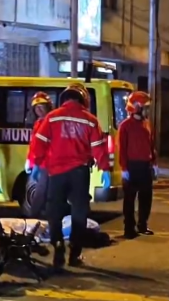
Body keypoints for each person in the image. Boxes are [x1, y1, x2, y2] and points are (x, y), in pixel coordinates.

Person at [31, 83, 111, 268]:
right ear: (83, 99)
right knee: (79, 212)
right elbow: (99, 148)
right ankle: (75, 253)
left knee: (55, 211)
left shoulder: (51, 118)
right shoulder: (90, 120)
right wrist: (105, 169)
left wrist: (37, 164)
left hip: (56, 173)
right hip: (80, 173)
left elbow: (39, 144)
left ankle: (58, 244)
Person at [117, 90, 158, 239]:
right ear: (135, 106)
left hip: (145, 165)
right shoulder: (125, 126)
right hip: (132, 166)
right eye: (144, 106)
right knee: (129, 199)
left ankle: (143, 225)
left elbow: (151, 144)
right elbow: (121, 148)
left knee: (146, 197)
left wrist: (154, 162)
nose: (146, 109)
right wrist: (124, 169)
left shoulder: (146, 124)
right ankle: (129, 228)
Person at [24, 92, 54, 215]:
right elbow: (34, 145)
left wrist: (36, 163)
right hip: (37, 163)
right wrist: (29, 160)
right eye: (37, 108)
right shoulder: (38, 123)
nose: (39, 110)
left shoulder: (51, 122)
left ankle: (36, 216)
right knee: (34, 193)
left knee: (41, 193)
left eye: (42, 107)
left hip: (45, 164)